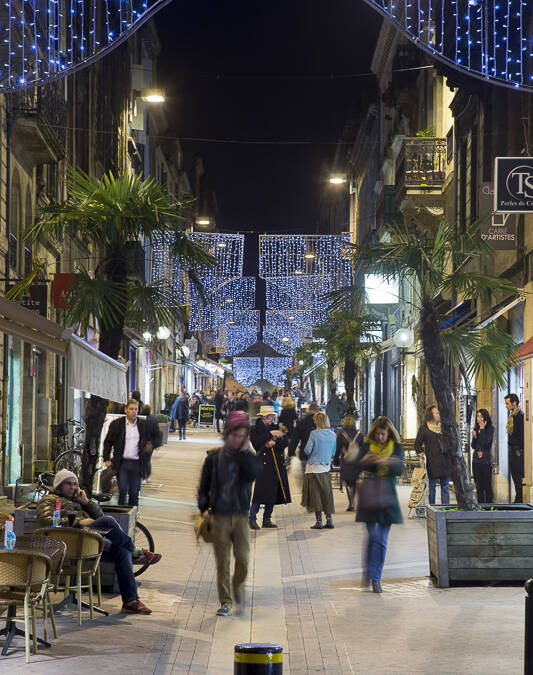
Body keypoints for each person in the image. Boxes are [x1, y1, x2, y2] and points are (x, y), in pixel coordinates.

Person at [37, 469, 161, 614]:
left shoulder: (78, 500)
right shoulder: (49, 500)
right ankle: (135, 551)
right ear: (59, 485)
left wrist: (86, 502)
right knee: (110, 523)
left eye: (75, 484)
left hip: (87, 544)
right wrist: (79, 521)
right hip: (67, 546)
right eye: (68, 484)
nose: (73, 487)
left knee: (122, 551)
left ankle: (130, 601)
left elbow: (100, 518)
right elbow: (45, 520)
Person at [197, 411, 262, 617]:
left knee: (243, 559)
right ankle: (225, 601)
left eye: (242, 436)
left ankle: (238, 586)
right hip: (220, 516)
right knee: (222, 561)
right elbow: (204, 485)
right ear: (227, 434)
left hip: (241, 515)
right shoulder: (214, 457)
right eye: (235, 435)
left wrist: (244, 453)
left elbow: (255, 474)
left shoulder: (247, 458)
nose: (237, 439)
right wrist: (204, 509)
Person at [355, 416, 404, 593]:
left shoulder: (396, 448)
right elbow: (356, 465)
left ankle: (376, 578)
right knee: (372, 536)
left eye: (383, 434)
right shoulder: (367, 446)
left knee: (381, 538)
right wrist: (365, 460)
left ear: (389, 433)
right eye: (378, 434)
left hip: (387, 496)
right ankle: (369, 572)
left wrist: (388, 462)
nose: (380, 437)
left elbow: (400, 469)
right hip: (369, 495)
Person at [103, 399, 158, 506]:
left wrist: (152, 444)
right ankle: (121, 516)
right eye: (131, 409)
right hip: (122, 462)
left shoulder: (143, 425)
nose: (134, 412)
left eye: (136, 409)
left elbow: (156, 436)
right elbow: (107, 442)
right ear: (126, 410)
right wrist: (106, 459)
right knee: (122, 490)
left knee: (134, 492)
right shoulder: (117, 425)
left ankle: (132, 519)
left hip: (137, 463)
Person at [249, 405, 291, 530]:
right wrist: (270, 434)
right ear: (263, 417)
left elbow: (285, 442)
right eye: (270, 416)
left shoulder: (275, 427)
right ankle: (252, 517)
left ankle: (267, 518)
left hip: (276, 464)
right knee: (260, 491)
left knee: (272, 491)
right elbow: (256, 443)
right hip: (263, 464)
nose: (272, 418)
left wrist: (275, 442)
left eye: (273, 416)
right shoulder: (256, 429)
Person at [301, 412, 337, 529]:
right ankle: (329, 519)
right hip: (325, 467)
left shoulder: (314, 434)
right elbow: (333, 452)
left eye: (316, 420)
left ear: (319, 421)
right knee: (326, 494)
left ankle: (319, 521)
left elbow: (307, 450)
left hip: (313, 468)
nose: (314, 422)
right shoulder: (333, 435)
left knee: (315, 495)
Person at [414, 405, 452, 505]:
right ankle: (432, 508)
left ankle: (445, 508)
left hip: (444, 460)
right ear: (431, 415)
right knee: (432, 487)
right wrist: (421, 452)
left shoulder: (443, 428)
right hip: (432, 461)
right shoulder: (424, 428)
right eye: (437, 413)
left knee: (445, 486)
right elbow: (417, 444)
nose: (439, 414)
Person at [334, 413, 363, 511]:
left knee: (347, 482)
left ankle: (351, 503)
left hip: (346, 462)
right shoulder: (359, 435)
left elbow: (337, 450)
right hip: (357, 462)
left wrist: (336, 461)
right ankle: (353, 501)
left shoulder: (341, 435)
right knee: (354, 482)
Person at [471, 408, 495, 503]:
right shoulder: (476, 429)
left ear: (485, 417)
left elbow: (486, 442)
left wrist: (482, 430)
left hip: (485, 461)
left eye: (481, 416)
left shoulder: (490, 428)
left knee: (487, 485)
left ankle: (489, 505)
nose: (479, 418)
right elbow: (473, 446)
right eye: (477, 416)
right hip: (476, 461)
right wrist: (474, 437)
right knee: (479, 485)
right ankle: (480, 504)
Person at [505, 393, 524, 503]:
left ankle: (519, 499)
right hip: (512, 449)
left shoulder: (520, 416)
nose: (506, 406)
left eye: (508, 404)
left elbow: (522, 435)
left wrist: (518, 449)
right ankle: (518, 498)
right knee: (514, 475)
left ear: (514, 403)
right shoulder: (512, 416)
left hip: (517, 450)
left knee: (518, 476)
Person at [288, 402, 319, 467]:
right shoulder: (321, 423)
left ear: (308, 410)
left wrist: (291, 451)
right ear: (318, 411)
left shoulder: (302, 422)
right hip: (319, 454)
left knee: (306, 474)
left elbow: (295, 438)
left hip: (305, 454)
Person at [140, 404, 163, 479]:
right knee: (147, 459)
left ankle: (143, 475)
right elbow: (156, 431)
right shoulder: (153, 418)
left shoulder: (139, 418)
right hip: (150, 443)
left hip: (142, 442)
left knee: (142, 459)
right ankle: (147, 475)